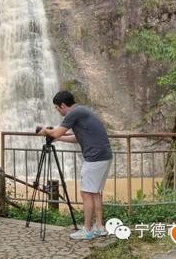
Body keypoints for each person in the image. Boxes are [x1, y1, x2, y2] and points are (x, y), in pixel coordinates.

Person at [37, 91, 112, 240]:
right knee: (95, 192)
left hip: (94, 158)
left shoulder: (74, 113)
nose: (58, 112)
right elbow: (76, 138)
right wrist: (58, 139)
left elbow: (57, 132)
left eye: (58, 109)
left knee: (86, 193)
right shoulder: (82, 111)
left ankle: (87, 230)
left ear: (63, 105)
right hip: (104, 156)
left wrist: (45, 131)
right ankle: (99, 227)